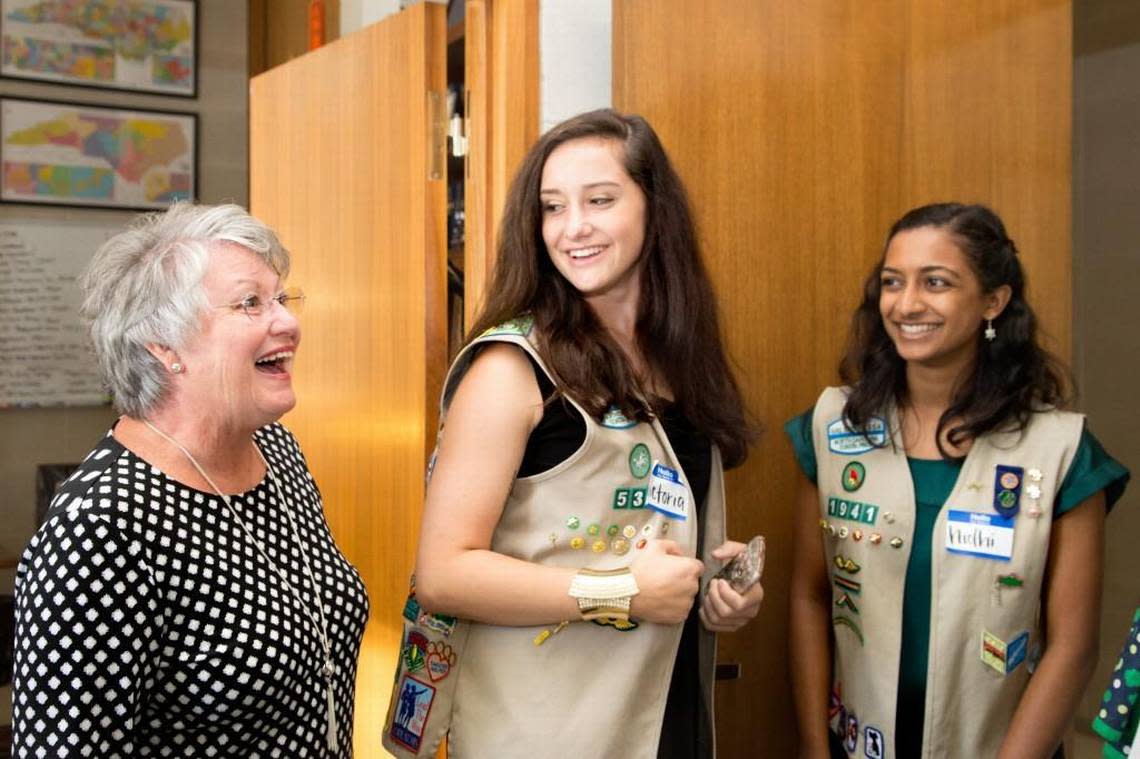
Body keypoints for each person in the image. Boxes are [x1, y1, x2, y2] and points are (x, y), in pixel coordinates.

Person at [382, 109, 762, 759]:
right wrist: (622, 590)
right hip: (546, 730)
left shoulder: (681, 363)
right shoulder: (511, 369)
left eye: (600, 200)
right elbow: (445, 573)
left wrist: (714, 592)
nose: (572, 227)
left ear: (655, 209)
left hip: (664, 713)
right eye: (552, 207)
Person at [12, 203, 369, 756]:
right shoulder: (98, 530)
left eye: (280, 298)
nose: (288, 322)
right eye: (250, 303)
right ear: (164, 345)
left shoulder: (277, 451)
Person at [787, 202, 1130, 758]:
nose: (907, 304)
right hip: (858, 739)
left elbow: (1073, 647)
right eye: (893, 283)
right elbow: (808, 596)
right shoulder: (833, 427)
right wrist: (812, 746)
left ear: (994, 301)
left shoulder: (1060, 450)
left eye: (936, 282)